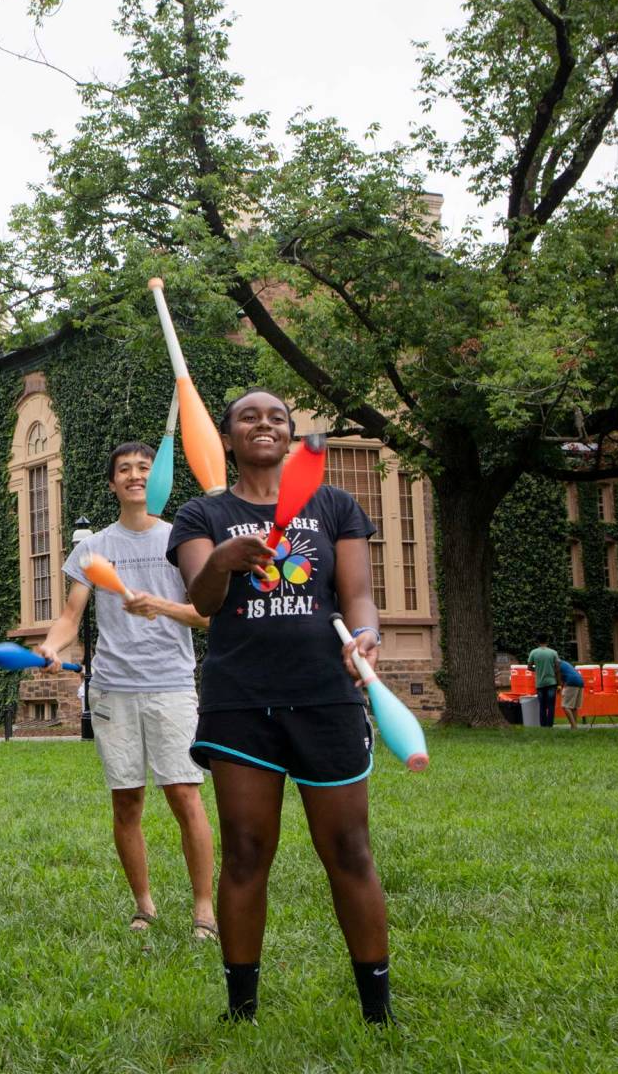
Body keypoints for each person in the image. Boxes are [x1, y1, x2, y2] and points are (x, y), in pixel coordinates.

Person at [169, 389, 393, 1025]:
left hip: (326, 696)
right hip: (241, 701)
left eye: (277, 418)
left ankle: (377, 1011)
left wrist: (367, 637)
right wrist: (224, 557)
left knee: (349, 849)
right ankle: (242, 1011)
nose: (263, 424)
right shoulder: (201, 515)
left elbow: (357, 597)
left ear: (290, 436)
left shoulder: (333, 505)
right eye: (249, 417)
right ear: (228, 437)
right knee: (244, 851)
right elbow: (204, 600)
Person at [38, 441, 217, 937]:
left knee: (185, 795)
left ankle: (204, 910)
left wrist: (159, 605)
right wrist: (54, 647)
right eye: (125, 469)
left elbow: (205, 616)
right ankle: (145, 906)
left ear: (153, 479)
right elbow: (70, 617)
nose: (135, 475)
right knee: (127, 801)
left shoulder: (181, 542)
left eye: (143, 468)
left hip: (171, 685)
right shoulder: (94, 547)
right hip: (113, 689)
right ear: (113, 482)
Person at [527, 639, 561, 729]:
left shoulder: (533, 652)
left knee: (542, 706)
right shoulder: (553, 652)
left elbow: (529, 667)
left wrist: (537, 670)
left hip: (540, 683)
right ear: (547, 642)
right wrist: (559, 684)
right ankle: (550, 725)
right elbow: (558, 668)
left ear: (537, 642)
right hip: (551, 682)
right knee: (551, 706)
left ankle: (543, 726)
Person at [557, 658, 585, 730]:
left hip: (571, 682)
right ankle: (574, 726)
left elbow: (559, 677)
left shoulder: (557, 665)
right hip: (580, 681)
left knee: (565, 706)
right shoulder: (565, 663)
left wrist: (559, 686)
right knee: (573, 707)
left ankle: (574, 726)